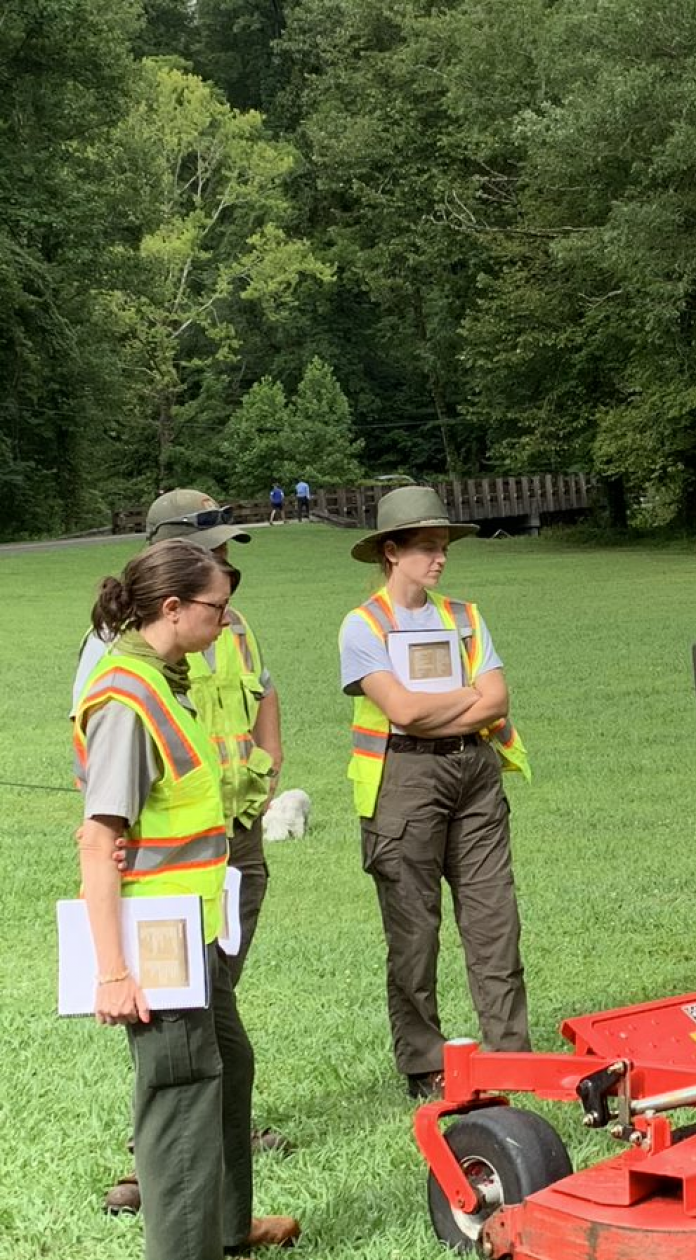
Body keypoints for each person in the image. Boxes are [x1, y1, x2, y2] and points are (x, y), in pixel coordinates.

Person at [72, 539, 300, 1258]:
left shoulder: (169, 679)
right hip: (155, 943)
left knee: (227, 1062)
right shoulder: (126, 698)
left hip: (194, 929)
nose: (228, 624)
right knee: (178, 1096)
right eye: (217, 609)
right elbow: (96, 839)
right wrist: (112, 972)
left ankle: (228, 1228)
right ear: (172, 609)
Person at [338, 486, 532, 1099]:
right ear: (391, 552)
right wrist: (461, 705)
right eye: (426, 547)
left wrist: (437, 712)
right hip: (405, 784)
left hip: (475, 775)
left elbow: (496, 699)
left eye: (443, 546)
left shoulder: (466, 616)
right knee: (414, 934)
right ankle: (425, 1065)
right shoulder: (362, 625)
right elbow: (399, 711)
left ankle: (509, 1058)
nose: (440, 558)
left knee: (494, 922)